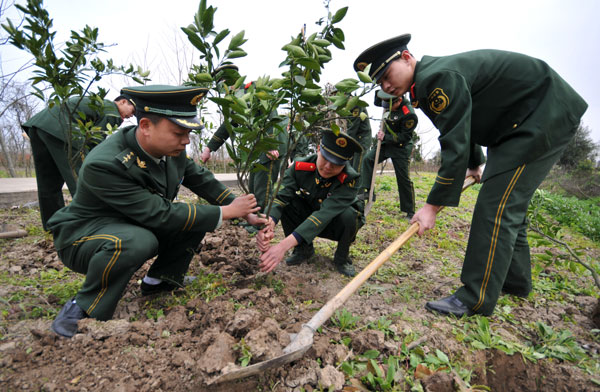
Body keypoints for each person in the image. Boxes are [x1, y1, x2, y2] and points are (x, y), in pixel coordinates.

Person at [354, 34, 587, 316]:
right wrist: (476, 163)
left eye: (387, 75)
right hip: (521, 121)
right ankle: (515, 281)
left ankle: (474, 298)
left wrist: (431, 207)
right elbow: (463, 124)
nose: (387, 86)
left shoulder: (437, 78)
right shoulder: (428, 83)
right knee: (508, 202)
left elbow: (454, 145)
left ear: (406, 58)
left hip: (540, 115)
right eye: (380, 83)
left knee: (496, 206)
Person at [46, 85, 264, 338]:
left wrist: (241, 209)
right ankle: (83, 307)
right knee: (139, 241)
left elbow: (201, 179)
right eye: (178, 133)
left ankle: (160, 280)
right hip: (84, 236)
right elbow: (159, 213)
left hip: (130, 224)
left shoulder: (170, 150)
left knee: (194, 220)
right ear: (146, 126)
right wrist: (227, 212)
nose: (186, 140)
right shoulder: (106, 163)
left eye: (188, 133)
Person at [256, 130, 365, 277]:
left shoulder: (350, 179)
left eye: (336, 164)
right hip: (309, 216)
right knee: (289, 203)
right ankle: (303, 250)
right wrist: (270, 221)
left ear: (345, 162)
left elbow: (323, 215)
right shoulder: (299, 167)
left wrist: (282, 246)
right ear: (319, 149)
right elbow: (280, 198)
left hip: (333, 224)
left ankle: (342, 258)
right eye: (325, 158)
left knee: (349, 215)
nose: (327, 167)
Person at [21, 95, 135, 230]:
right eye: (132, 111)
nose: (131, 116)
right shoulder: (112, 111)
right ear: (122, 102)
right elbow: (95, 142)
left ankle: (52, 226)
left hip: (38, 126)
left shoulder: (96, 102)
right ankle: (92, 224)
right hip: (64, 131)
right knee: (84, 179)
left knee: (48, 183)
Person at [359, 90, 417, 219]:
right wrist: (384, 87)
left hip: (400, 147)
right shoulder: (389, 100)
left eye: (389, 105)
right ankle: (368, 192)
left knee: (403, 179)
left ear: (399, 101)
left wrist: (386, 136)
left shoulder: (409, 115)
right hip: (386, 145)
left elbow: (404, 137)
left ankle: (410, 211)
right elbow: (377, 101)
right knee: (368, 159)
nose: (385, 107)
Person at [345, 103, 372, 172]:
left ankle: (358, 183)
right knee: (350, 166)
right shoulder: (346, 106)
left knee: (358, 168)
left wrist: (344, 142)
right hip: (355, 139)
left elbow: (353, 126)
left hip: (361, 140)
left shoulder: (355, 104)